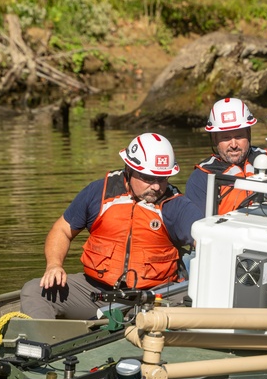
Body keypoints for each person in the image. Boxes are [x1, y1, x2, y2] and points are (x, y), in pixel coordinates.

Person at [20, 133, 203, 320]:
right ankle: (47, 344)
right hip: (95, 292)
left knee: (181, 303)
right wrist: (54, 265)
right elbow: (62, 230)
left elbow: (207, 240)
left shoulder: (176, 205)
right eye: (148, 178)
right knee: (34, 291)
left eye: (163, 178)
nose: (156, 187)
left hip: (153, 297)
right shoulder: (98, 193)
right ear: (129, 169)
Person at [185, 97, 267, 215]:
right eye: (226, 138)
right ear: (215, 139)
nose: (234, 145)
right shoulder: (202, 177)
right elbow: (198, 226)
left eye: (239, 136)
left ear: (249, 134)